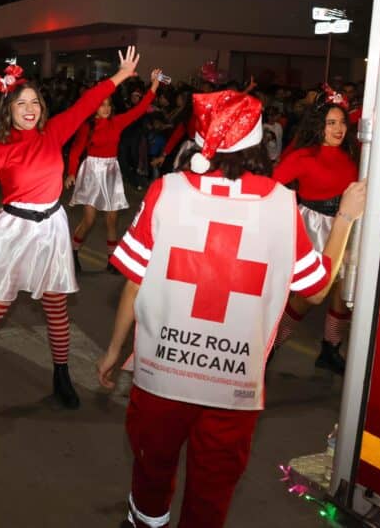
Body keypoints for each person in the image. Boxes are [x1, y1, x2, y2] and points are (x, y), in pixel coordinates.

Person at [97, 90, 366, 528]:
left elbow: (135, 279)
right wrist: (345, 221)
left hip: (161, 373)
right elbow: (316, 290)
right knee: (211, 495)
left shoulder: (169, 190)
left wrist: (113, 350)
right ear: (261, 143)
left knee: (151, 475)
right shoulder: (280, 203)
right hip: (233, 388)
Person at [0, 47, 143, 418]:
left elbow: (87, 104)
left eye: (35, 101)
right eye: (21, 103)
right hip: (14, 230)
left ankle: (62, 377)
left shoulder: (54, 133)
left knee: (56, 307)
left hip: (51, 228)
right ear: (8, 110)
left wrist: (120, 76)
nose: (30, 108)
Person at [271, 87, 359, 374]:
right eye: (331, 123)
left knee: (343, 293)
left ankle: (330, 348)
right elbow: (272, 187)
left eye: (342, 122)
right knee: (308, 296)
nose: (339, 128)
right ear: (318, 125)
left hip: (346, 227)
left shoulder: (352, 156)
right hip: (313, 228)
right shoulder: (304, 156)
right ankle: (273, 344)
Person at [65, 70, 160, 272]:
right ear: (95, 107)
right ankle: (73, 252)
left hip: (110, 171)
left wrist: (154, 85)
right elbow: (75, 152)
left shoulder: (117, 123)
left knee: (112, 218)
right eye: (102, 104)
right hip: (91, 171)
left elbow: (141, 109)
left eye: (108, 104)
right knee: (89, 219)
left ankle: (111, 260)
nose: (106, 108)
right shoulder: (87, 127)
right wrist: (72, 173)